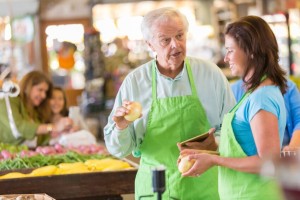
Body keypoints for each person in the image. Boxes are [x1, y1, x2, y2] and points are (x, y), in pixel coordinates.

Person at [104, 7, 236, 200]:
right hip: (156, 190)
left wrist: (213, 142)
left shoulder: (210, 74)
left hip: (205, 189)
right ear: (150, 44)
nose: (176, 45)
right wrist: (121, 127)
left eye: (180, 36)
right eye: (165, 40)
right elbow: (118, 150)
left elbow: (233, 130)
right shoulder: (135, 82)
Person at [180, 16, 287, 200]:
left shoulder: (262, 98)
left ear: (251, 51)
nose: (226, 57)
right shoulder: (253, 93)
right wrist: (210, 146)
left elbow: (268, 162)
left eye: (230, 50)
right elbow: (247, 145)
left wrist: (214, 160)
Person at [0, 70, 73, 146]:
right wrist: (54, 127)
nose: (44, 96)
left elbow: (41, 139)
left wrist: (62, 133)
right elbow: (18, 128)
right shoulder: (8, 100)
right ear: (27, 87)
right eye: (40, 90)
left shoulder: (34, 109)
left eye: (45, 92)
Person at [231, 78, 300, 151]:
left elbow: (298, 121)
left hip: (282, 153)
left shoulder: (288, 87)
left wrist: (292, 149)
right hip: (250, 156)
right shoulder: (233, 91)